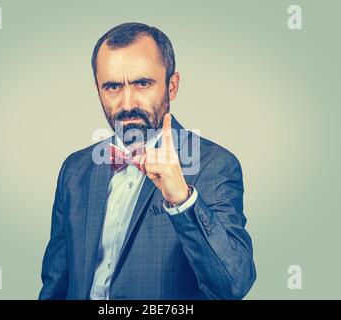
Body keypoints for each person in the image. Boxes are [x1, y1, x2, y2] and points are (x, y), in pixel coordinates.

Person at [39, 22, 256, 300]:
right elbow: (55, 285)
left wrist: (183, 200)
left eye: (143, 83)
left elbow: (232, 285)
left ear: (172, 86)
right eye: (113, 86)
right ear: (97, 89)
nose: (127, 102)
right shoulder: (75, 170)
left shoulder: (215, 165)